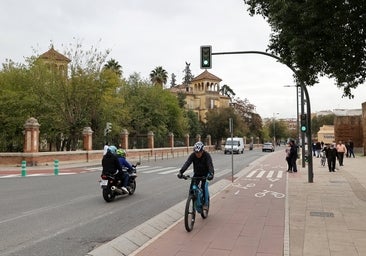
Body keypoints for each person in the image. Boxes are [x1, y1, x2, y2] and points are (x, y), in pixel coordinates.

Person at [177, 141, 214, 210]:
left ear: (202, 151)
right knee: (192, 187)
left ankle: (205, 203)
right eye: (196, 152)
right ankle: (191, 198)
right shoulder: (193, 155)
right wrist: (181, 172)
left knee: (204, 186)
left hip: (206, 174)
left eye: (199, 152)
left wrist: (211, 174)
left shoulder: (207, 155)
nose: (197, 154)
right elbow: (187, 163)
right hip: (197, 173)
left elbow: (210, 165)